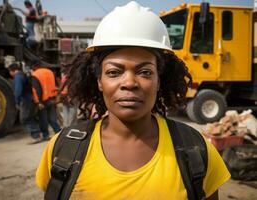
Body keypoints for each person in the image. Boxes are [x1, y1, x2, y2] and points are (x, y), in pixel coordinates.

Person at [36, 2, 230, 199]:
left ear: (158, 81)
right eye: (113, 72)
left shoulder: (196, 149)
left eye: (145, 72)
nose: (129, 82)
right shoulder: (63, 149)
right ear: (99, 81)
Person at [7, 63, 42, 144]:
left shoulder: (18, 77)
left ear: (12, 71)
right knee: (29, 116)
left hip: (25, 100)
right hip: (30, 98)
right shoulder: (23, 74)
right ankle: (37, 133)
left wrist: (17, 101)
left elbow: (18, 91)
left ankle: (36, 136)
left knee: (25, 118)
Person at [31, 59, 61, 140]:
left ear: (34, 66)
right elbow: (56, 84)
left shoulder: (35, 75)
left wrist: (38, 102)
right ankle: (59, 133)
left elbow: (35, 90)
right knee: (53, 118)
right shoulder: (50, 72)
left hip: (43, 101)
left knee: (43, 119)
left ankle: (46, 135)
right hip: (52, 99)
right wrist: (57, 97)